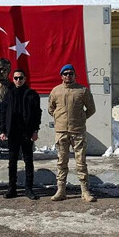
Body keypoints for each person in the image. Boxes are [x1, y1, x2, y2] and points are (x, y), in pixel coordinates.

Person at [47, 64, 97, 202]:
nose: (68, 76)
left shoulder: (82, 91)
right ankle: (61, 190)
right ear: (61, 76)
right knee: (62, 162)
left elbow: (91, 109)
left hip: (78, 132)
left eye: (70, 73)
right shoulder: (56, 91)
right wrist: (60, 119)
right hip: (61, 132)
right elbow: (51, 109)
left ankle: (85, 191)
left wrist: (81, 119)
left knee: (81, 162)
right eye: (65, 73)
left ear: (74, 75)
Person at [1, 69, 41, 200]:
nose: (18, 80)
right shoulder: (9, 94)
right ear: (13, 79)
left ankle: (29, 189)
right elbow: (3, 112)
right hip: (12, 133)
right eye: (16, 78)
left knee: (28, 161)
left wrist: (35, 130)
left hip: (26, 133)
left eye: (21, 78)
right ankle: (12, 189)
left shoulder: (32, 94)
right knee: (12, 162)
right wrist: (3, 130)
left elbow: (37, 114)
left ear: (25, 79)